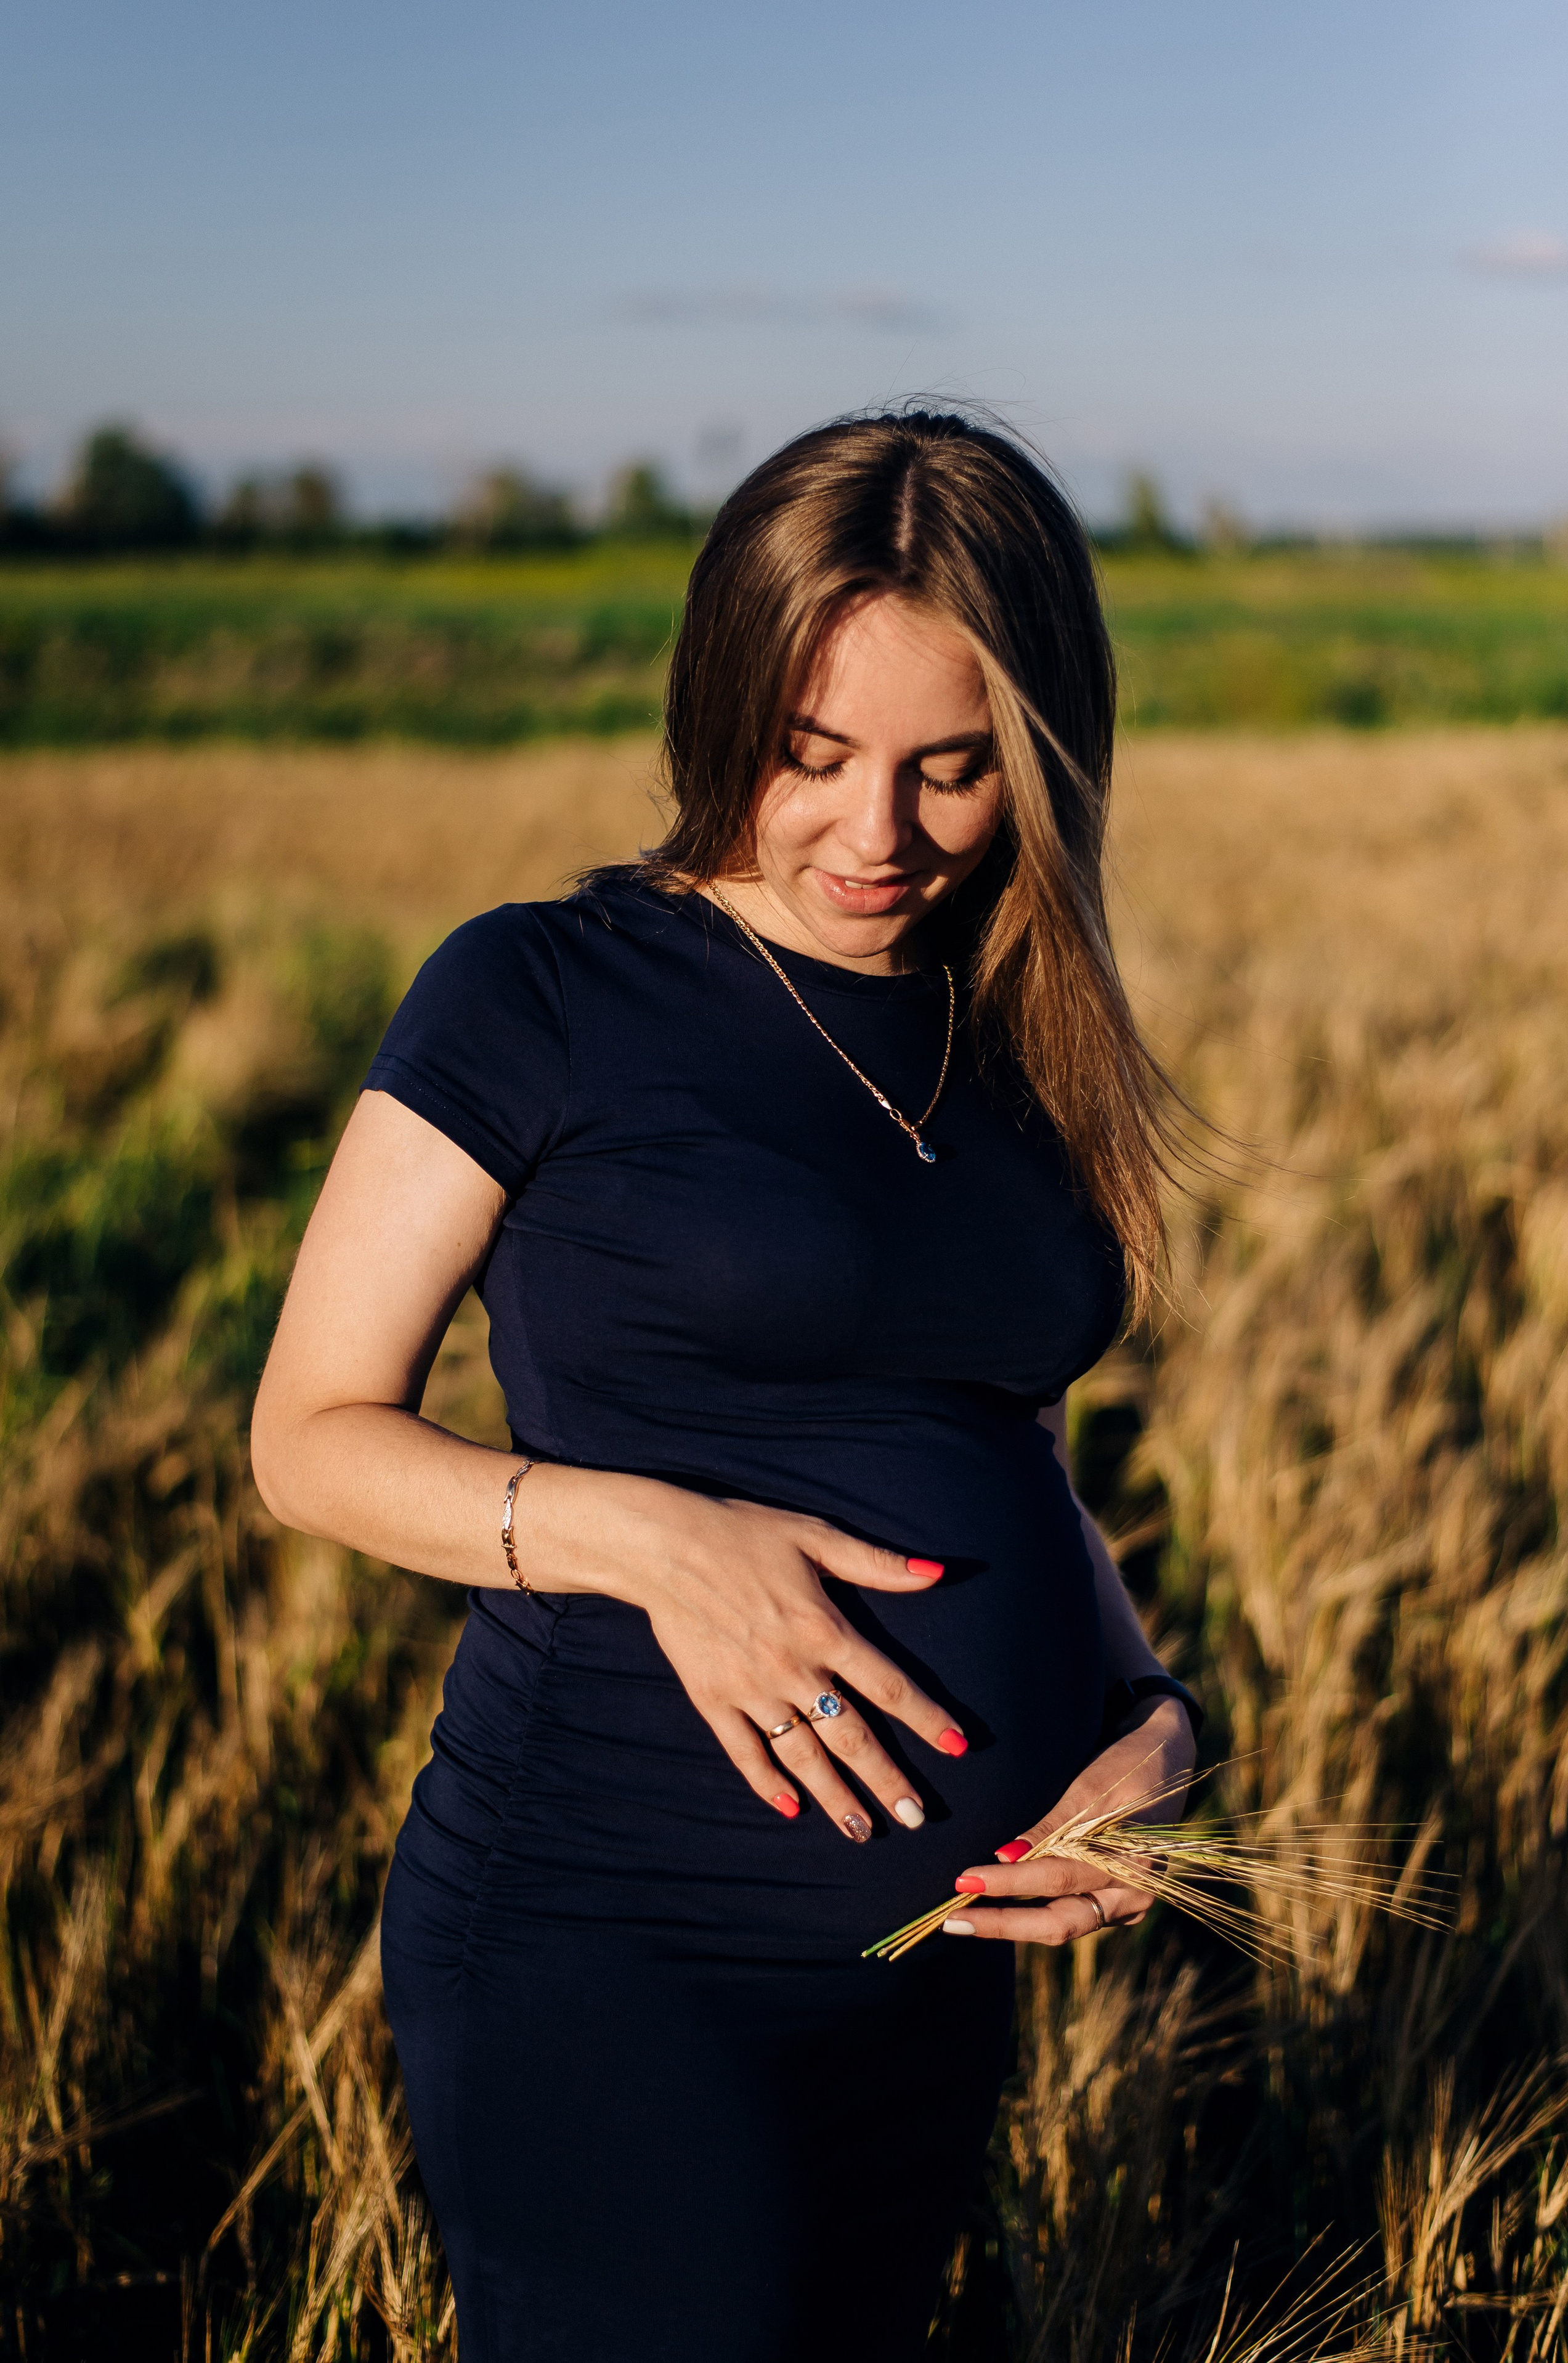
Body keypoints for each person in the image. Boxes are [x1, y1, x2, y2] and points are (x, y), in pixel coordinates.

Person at [251, 409, 1201, 2362]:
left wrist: (1147, 1710)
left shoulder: (1011, 1023)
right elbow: (306, 1436)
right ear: (720, 711)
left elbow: (989, 1432)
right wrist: (650, 1538)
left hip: (922, 1974)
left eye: (955, 770)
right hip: (615, 1946)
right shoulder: (540, 995)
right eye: (812, 756)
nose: (881, 837)